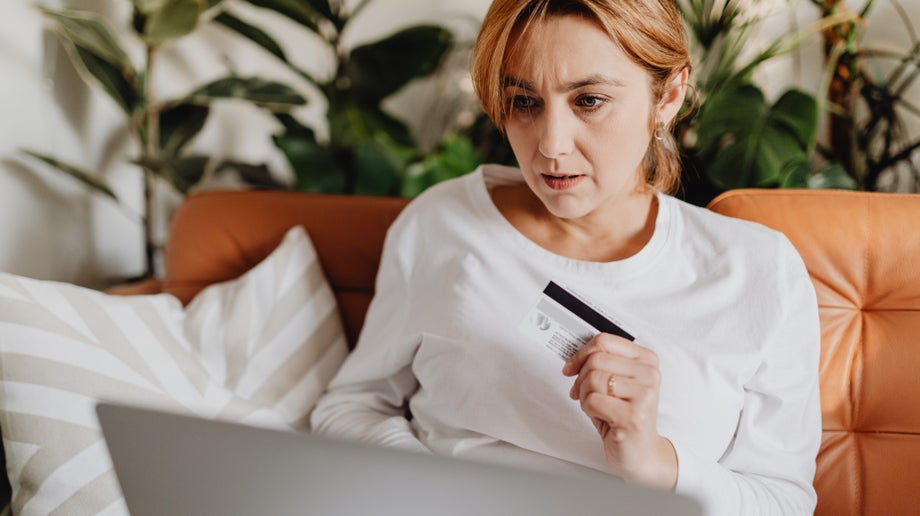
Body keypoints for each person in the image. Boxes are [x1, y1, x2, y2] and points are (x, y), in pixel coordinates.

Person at [310, 1, 822, 514]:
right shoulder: (443, 225)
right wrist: (430, 485)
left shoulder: (758, 272)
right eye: (525, 102)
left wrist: (653, 461)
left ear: (667, 95)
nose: (550, 146)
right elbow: (352, 406)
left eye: (590, 100)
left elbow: (784, 503)